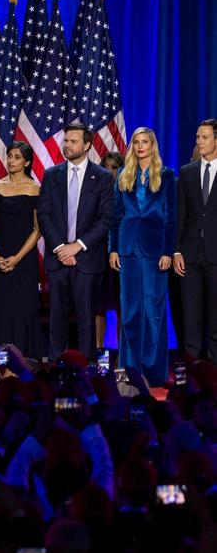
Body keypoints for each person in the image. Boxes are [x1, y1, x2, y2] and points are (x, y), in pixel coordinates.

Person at [38, 122, 115, 357]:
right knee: (57, 318)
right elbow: (44, 214)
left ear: (87, 145)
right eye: (66, 141)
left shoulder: (102, 177)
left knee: (86, 318)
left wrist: (76, 247)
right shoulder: (52, 175)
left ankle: (87, 371)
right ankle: (55, 369)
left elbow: (105, 218)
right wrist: (62, 247)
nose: (67, 145)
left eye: (73, 141)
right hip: (57, 257)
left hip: (87, 259)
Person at [109, 128, 175, 384]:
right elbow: (116, 215)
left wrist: (168, 251)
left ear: (153, 145)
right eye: (136, 142)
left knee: (153, 311)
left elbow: (170, 217)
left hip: (155, 250)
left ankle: (153, 372)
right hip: (127, 250)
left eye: (144, 142)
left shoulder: (167, 176)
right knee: (130, 311)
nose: (140, 146)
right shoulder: (124, 176)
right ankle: (129, 370)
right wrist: (113, 248)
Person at [0, 141, 44, 358]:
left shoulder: (36, 189)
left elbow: (38, 230)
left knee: (23, 306)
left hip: (24, 257)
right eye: (9, 156)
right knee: (0, 306)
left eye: (17, 157)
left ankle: (24, 357)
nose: (11, 160)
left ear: (27, 162)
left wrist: (17, 258)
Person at [175, 119, 217, 362]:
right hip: (189, 257)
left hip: (215, 255)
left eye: (204, 137)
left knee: (215, 318)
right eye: (198, 137)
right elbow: (180, 215)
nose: (199, 141)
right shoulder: (186, 172)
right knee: (190, 316)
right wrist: (176, 251)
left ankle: (212, 374)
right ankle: (191, 375)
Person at [96, 151, 124, 349]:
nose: (110, 171)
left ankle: (122, 354)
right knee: (98, 307)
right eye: (106, 167)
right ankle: (99, 353)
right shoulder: (94, 191)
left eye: (114, 168)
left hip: (121, 255)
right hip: (98, 254)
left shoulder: (126, 191)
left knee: (123, 306)